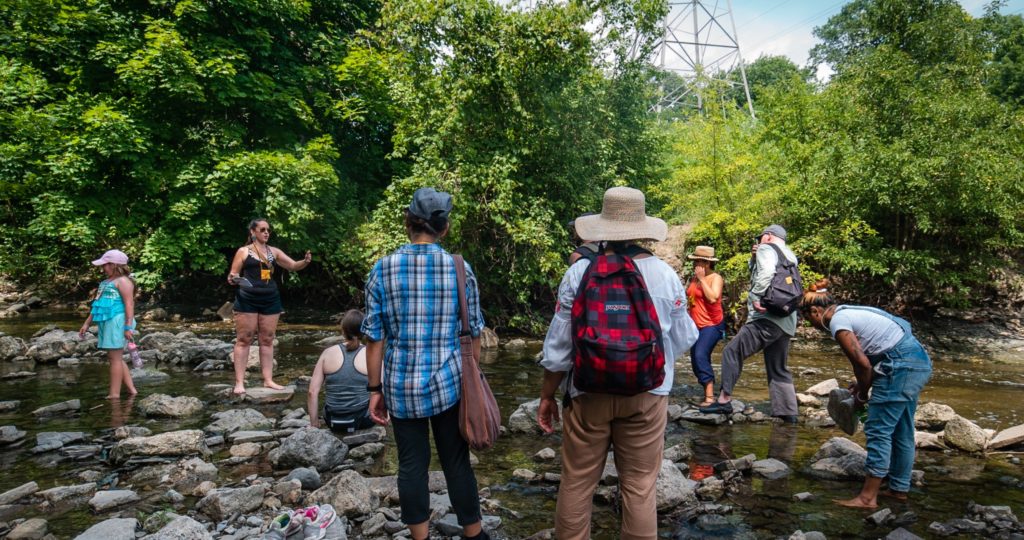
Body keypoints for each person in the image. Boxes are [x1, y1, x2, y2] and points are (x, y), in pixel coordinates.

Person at [537, 186, 699, 540]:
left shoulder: (579, 274)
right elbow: (685, 339)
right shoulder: (665, 275)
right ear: (643, 229)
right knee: (640, 487)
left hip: (587, 392)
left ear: (601, 228)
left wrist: (547, 395)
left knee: (577, 483)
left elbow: (558, 349)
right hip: (648, 392)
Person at [363, 187, 490, 540]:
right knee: (456, 462)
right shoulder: (460, 268)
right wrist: (472, 382)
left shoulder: (383, 268)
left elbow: (375, 338)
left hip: (401, 385)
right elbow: (474, 331)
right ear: (444, 228)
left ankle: (420, 537)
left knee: (411, 465)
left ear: (408, 223)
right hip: (450, 383)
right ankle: (474, 533)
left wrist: (375, 389)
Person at [800, 279, 932, 509]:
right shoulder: (849, 310)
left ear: (815, 311)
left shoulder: (838, 323)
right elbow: (883, 341)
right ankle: (898, 489)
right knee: (902, 430)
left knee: (878, 430)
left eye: (809, 319)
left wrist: (861, 394)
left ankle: (867, 498)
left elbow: (862, 364)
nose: (811, 324)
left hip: (898, 367)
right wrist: (860, 382)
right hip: (916, 362)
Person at [700, 224, 800, 423]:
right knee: (778, 367)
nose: (758, 241)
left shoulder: (766, 248)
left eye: (760, 237)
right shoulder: (790, 255)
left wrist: (757, 297)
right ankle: (788, 413)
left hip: (766, 318)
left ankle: (724, 400)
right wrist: (754, 258)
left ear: (768, 236)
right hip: (787, 320)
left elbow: (766, 274)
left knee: (731, 351)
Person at [226, 218, 312, 395]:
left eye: (268, 230)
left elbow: (293, 266)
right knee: (244, 338)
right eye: (262, 229)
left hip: (270, 299)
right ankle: (240, 383)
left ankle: (268, 380)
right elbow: (233, 274)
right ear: (253, 232)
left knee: (267, 339)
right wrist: (233, 278)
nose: (266, 232)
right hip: (247, 299)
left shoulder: (274, 252)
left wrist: (305, 262)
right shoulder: (244, 251)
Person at [78, 249, 138, 399]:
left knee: (115, 359)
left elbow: (129, 304)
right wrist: (87, 323)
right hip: (107, 321)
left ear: (114, 265)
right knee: (115, 357)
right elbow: (98, 304)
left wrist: (128, 326)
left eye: (105, 265)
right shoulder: (105, 283)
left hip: (118, 320)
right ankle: (132, 390)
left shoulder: (123, 281)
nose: (102, 268)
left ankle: (114, 394)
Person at [307, 309, 374, 433]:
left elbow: (312, 392)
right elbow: (382, 390)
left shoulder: (327, 353)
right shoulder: (370, 354)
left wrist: (314, 424)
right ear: (364, 331)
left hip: (332, 421)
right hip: (362, 421)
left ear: (343, 330)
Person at [686, 245, 726, 407]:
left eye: (698, 261)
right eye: (694, 261)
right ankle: (707, 391)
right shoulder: (694, 278)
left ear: (707, 263)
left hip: (712, 324)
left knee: (700, 355)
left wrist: (702, 279)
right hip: (695, 325)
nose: (695, 264)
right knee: (695, 359)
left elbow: (712, 298)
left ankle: (710, 397)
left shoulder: (715, 278)